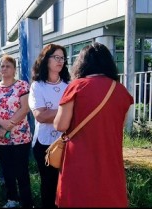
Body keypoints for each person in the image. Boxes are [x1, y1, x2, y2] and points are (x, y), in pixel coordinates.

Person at [53, 42, 134, 208]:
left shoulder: (76, 87)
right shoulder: (121, 91)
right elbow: (120, 125)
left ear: (82, 63)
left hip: (79, 161)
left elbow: (61, 125)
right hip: (110, 160)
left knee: (77, 199)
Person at [0, 55, 34, 208]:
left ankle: (27, 202)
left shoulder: (22, 85)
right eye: (2, 66)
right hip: (0, 138)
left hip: (20, 136)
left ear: (14, 69)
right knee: (6, 170)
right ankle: (12, 199)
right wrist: (2, 124)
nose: (4, 68)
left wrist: (8, 125)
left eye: (8, 65)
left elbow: (25, 108)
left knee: (21, 171)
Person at [28, 44, 70, 208]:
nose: (60, 61)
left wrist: (53, 111)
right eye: (56, 57)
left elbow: (48, 113)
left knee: (66, 184)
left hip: (67, 142)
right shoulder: (37, 86)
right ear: (46, 60)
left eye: (62, 58)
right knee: (49, 186)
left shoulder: (69, 86)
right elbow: (40, 116)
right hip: (45, 144)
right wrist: (67, 109)